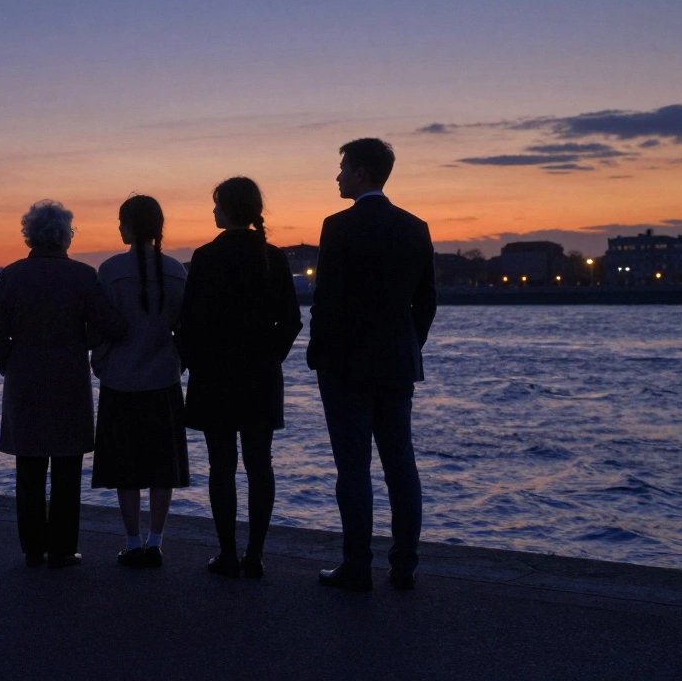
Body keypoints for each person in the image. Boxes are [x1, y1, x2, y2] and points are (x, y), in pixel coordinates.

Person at [308, 138, 437, 592]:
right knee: (401, 462)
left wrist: (318, 351)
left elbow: (327, 299)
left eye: (343, 168)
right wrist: (408, 344)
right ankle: (404, 565)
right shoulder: (415, 227)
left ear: (361, 172)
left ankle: (356, 564)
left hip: (345, 363)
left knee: (354, 466)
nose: (338, 176)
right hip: (398, 362)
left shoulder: (338, 226)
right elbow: (426, 303)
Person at [0, 199, 127, 569]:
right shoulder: (82, 276)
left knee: (29, 468)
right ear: (66, 237)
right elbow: (110, 325)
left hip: (24, 381)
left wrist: (11, 367)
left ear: (30, 235)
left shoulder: (12, 276)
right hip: (68, 380)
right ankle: (63, 548)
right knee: (67, 468)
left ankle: (33, 548)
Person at [175, 177, 303, 579]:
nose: (212, 212)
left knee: (221, 467)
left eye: (216, 205)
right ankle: (256, 556)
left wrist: (195, 362)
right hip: (260, 376)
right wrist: (270, 357)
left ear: (228, 209)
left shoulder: (205, 257)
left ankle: (227, 554)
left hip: (214, 376)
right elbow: (292, 321)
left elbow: (187, 323)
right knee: (260, 465)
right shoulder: (273, 257)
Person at [90, 195, 190, 569]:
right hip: (163, 379)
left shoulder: (111, 270)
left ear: (130, 226)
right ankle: (156, 541)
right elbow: (183, 326)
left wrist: (100, 364)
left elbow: (99, 327)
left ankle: (132, 542)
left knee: (125, 467)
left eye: (121, 222)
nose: (119, 228)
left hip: (120, 381)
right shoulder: (176, 271)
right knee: (163, 466)